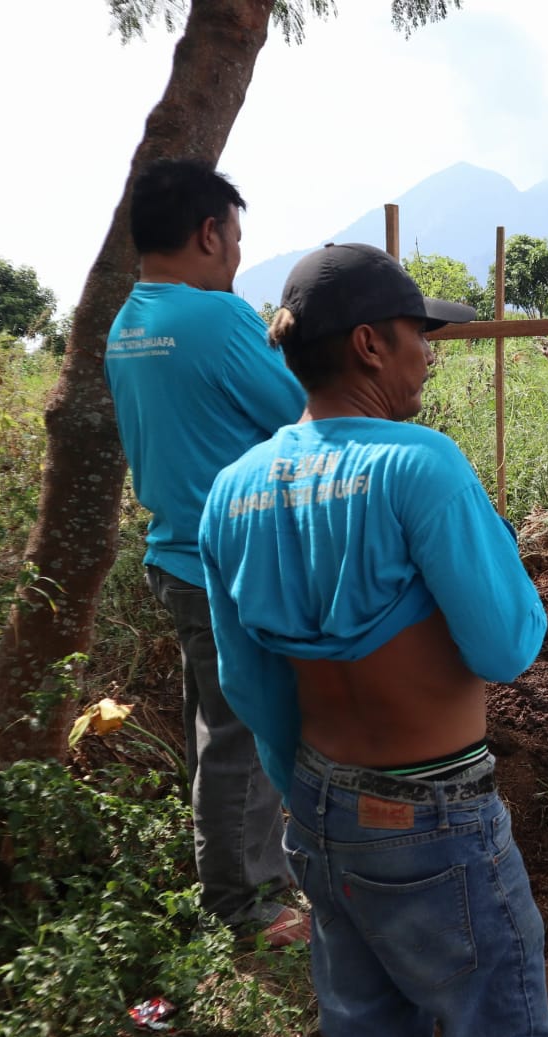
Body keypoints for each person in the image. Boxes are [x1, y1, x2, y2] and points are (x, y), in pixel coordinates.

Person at [198, 243, 548, 1037]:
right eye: (419, 333)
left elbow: (247, 682)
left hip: (319, 812)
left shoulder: (231, 488)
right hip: (432, 812)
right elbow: (509, 647)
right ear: (370, 344)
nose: (429, 353)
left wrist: (302, 793)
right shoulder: (419, 464)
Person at [104, 159, 307, 945]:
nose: (235, 255)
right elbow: (302, 405)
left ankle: (247, 878)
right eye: (235, 238)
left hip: (173, 553)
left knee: (216, 730)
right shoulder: (215, 317)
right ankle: (245, 905)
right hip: (227, 560)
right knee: (245, 735)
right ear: (209, 232)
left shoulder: (127, 323)